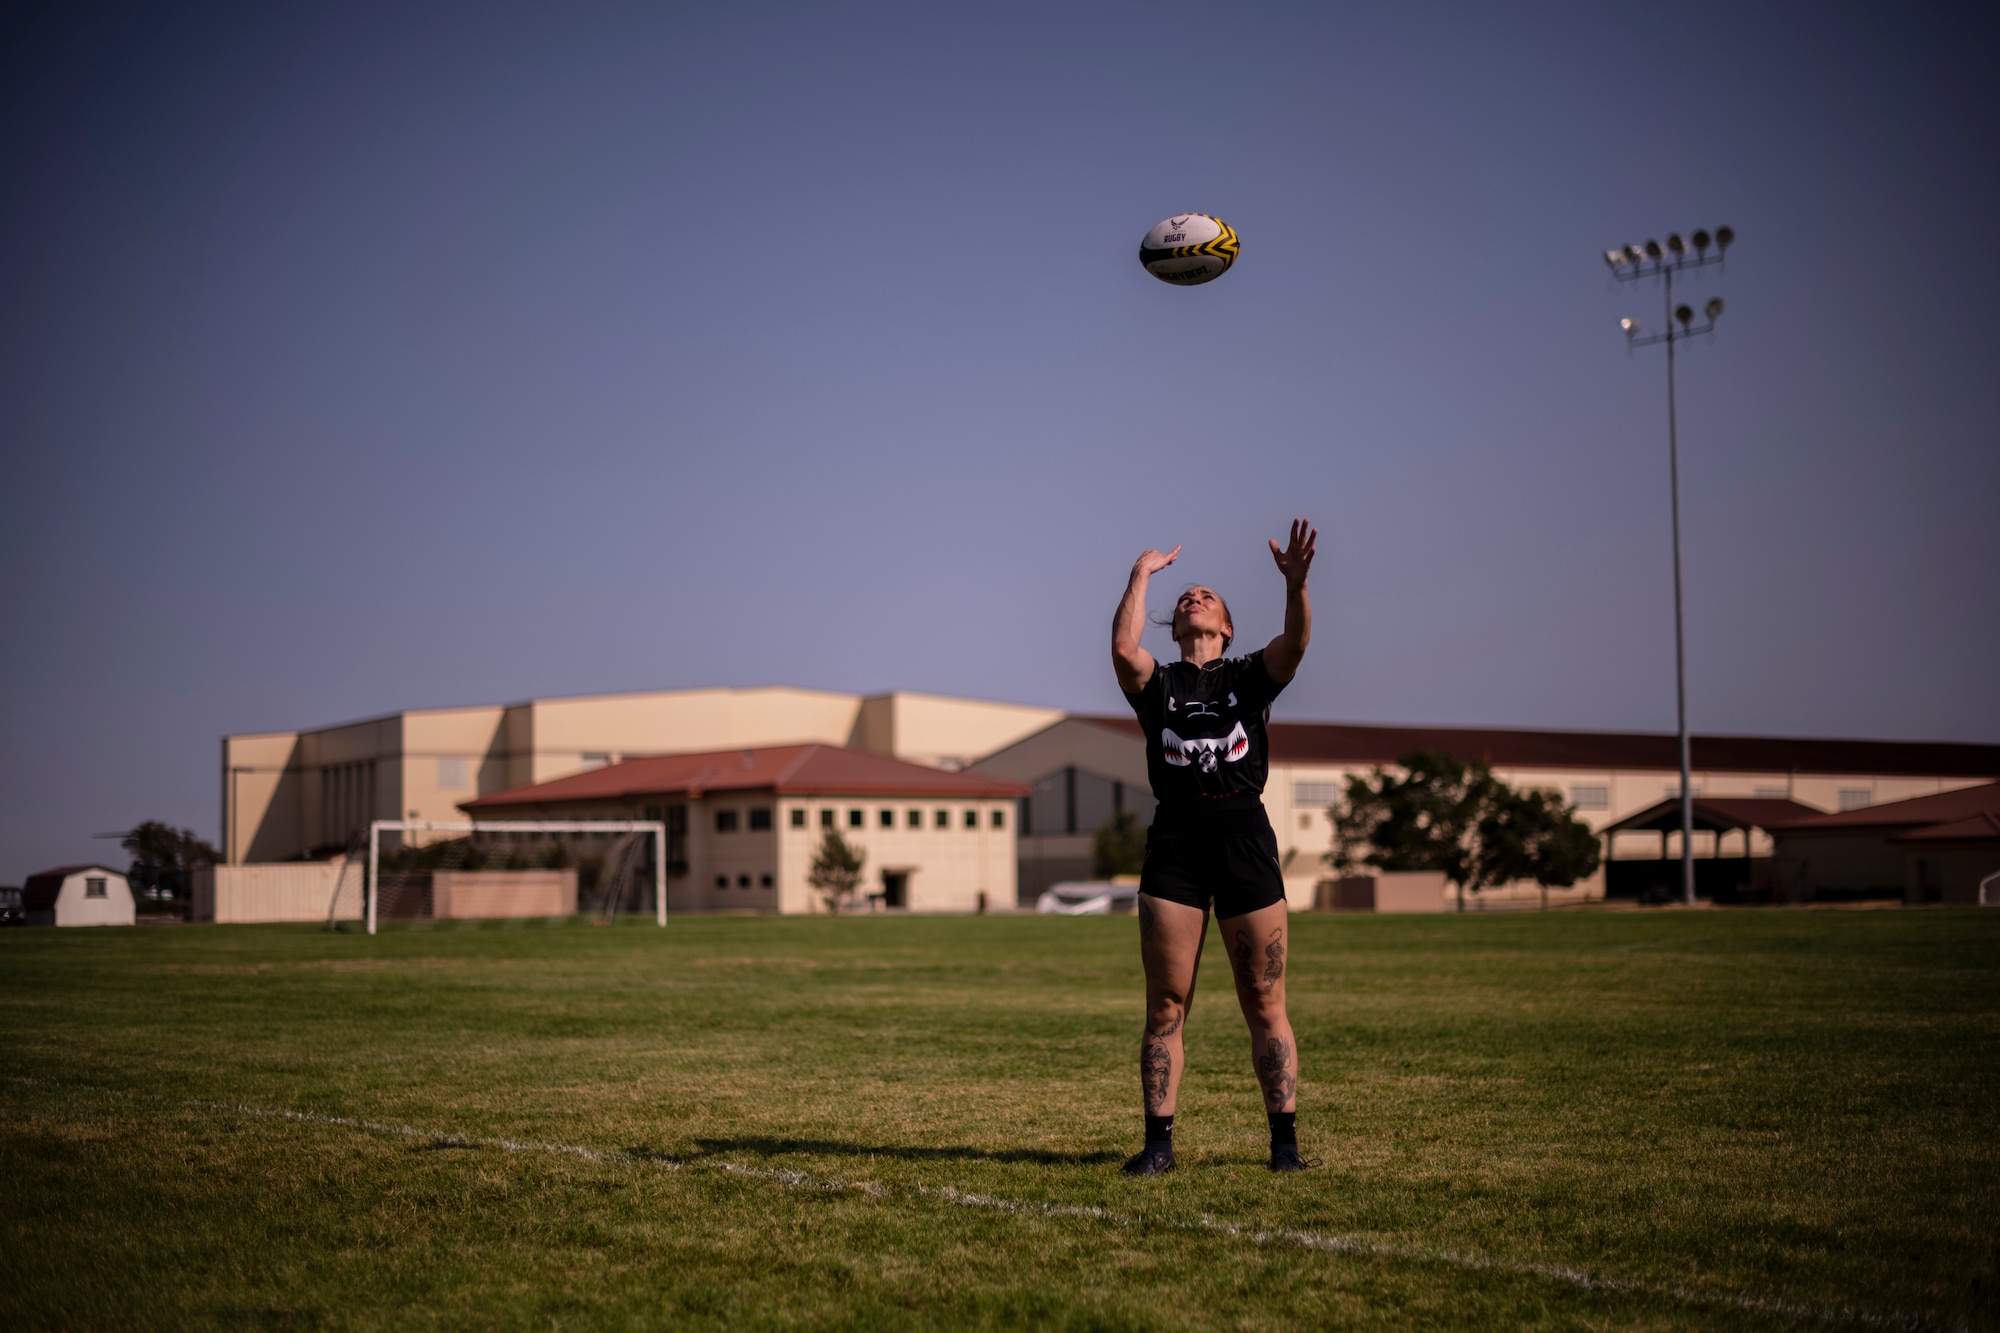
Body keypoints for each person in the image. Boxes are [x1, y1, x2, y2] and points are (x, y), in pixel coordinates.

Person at [1110, 519, 1318, 1176]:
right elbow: (1123, 648)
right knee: (1166, 1002)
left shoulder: (1249, 674)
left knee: (1264, 1000)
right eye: (1186, 597)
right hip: (1175, 840)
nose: (1194, 596)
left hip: (1243, 837)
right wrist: (1140, 576)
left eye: (1207, 595)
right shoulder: (1159, 684)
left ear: (1225, 626)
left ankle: (1284, 1145)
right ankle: (1158, 1144)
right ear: (1174, 626)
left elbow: (1297, 643)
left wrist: (1295, 585)